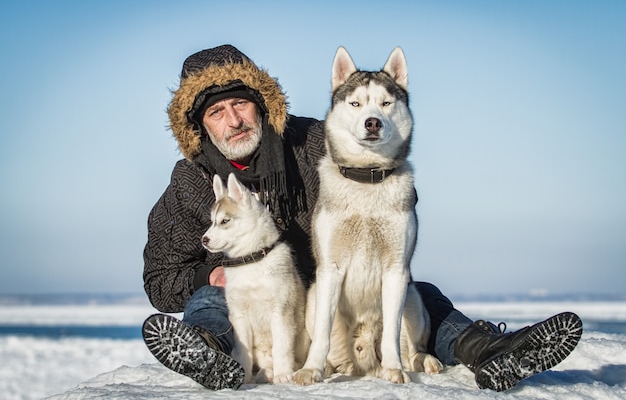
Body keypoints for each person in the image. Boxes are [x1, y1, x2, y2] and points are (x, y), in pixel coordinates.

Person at [142, 44, 583, 392]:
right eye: (216, 113)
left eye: (240, 104)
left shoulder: (314, 140)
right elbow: (160, 276)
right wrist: (211, 273)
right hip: (259, 302)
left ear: (260, 103)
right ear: (201, 126)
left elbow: (394, 188)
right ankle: (211, 353)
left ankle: (488, 351)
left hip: (335, 292)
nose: (233, 120)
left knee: (420, 292)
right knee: (211, 299)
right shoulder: (191, 181)